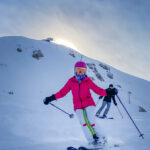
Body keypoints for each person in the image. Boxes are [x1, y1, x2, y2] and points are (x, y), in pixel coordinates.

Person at [43, 61, 107, 144]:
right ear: (75, 70)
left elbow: (97, 90)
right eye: (78, 70)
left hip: (89, 103)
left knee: (91, 119)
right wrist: (51, 98)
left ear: (85, 71)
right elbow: (62, 92)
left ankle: (102, 138)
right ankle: (91, 141)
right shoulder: (71, 81)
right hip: (77, 106)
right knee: (83, 122)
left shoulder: (88, 81)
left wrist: (108, 92)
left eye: (82, 71)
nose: (80, 73)